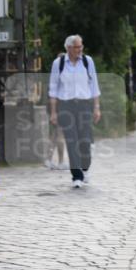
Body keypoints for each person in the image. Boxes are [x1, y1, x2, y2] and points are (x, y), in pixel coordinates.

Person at [48, 34, 101, 189]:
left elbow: (94, 85)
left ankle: (85, 169)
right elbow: (53, 89)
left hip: (84, 105)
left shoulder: (87, 61)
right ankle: (76, 176)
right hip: (66, 106)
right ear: (69, 48)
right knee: (71, 141)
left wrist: (96, 107)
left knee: (85, 141)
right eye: (77, 47)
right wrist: (53, 112)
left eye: (81, 46)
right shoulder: (58, 64)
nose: (80, 49)